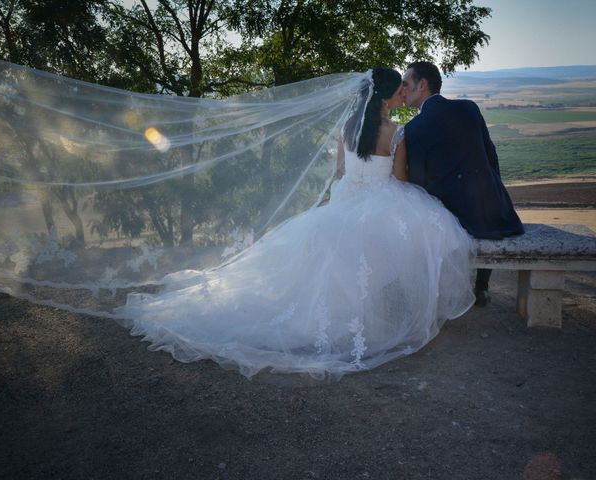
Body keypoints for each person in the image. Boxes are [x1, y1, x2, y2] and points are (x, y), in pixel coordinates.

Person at [119, 67, 476, 380]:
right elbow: (399, 180)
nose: (402, 94)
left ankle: (348, 316)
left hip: (346, 201)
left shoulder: (346, 128)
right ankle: (375, 317)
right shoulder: (396, 133)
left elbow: (339, 171)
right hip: (381, 201)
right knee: (425, 231)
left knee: (333, 261)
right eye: (399, 89)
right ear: (386, 96)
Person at [402, 61, 524, 306]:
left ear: (422, 85)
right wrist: (494, 189)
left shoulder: (414, 128)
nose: (402, 90)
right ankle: (481, 288)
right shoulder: (469, 108)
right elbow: (491, 155)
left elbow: (418, 182)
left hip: (454, 212)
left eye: (406, 83)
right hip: (493, 209)